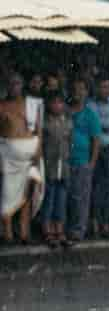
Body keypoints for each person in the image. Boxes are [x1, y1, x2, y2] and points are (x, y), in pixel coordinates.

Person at [0, 73, 43, 244]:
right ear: (6, 86)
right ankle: (8, 232)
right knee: (7, 194)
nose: (14, 87)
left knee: (26, 195)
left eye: (17, 83)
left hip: (28, 154)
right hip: (7, 155)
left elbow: (38, 131)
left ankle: (24, 231)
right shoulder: (1, 105)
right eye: (11, 84)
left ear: (22, 85)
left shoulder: (31, 105)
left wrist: (37, 153)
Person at [88, 74, 109, 238]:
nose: (104, 90)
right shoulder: (90, 103)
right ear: (96, 88)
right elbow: (92, 124)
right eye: (101, 87)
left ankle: (105, 224)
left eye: (107, 87)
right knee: (95, 188)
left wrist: (98, 123)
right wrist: (102, 124)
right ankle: (95, 222)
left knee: (108, 189)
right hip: (95, 149)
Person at [66, 78, 101, 241]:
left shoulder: (90, 115)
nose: (78, 93)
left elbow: (96, 140)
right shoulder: (65, 112)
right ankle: (67, 229)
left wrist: (91, 163)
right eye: (75, 89)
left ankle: (79, 231)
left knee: (81, 198)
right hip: (65, 162)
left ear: (86, 92)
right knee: (67, 197)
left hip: (83, 162)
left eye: (82, 89)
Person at [39, 91, 72, 247]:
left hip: (63, 166)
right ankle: (48, 231)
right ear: (48, 105)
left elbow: (70, 141)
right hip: (49, 166)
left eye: (60, 102)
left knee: (61, 200)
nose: (57, 105)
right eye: (54, 102)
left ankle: (60, 230)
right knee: (49, 199)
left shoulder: (67, 121)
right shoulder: (44, 122)